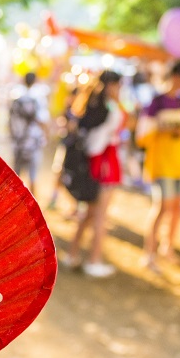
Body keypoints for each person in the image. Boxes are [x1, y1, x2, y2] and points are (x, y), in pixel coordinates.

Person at [63, 70, 125, 278]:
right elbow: (98, 144)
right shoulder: (108, 110)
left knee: (89, 213)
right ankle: (94, 260)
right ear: (111, 86)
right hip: (103, 164)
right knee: (99, 215)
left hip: (95, 164)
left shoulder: (92, 106)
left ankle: (73, 254)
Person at [137, 60, 180, 272]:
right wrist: (163, 130)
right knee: (162, 208)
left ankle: (167, 247)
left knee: (177, 207)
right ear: (177, 77)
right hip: (161, 164)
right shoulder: (156, 102)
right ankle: (149, 254)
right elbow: (142, 136)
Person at [9, 72, 50, 195]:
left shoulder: (17, 98)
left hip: (19, 142)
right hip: (34, 141)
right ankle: (33, 204)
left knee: (16, 174)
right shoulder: (39, 99)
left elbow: (11, 120)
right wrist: (46, 135)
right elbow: (42, 120)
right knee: (33, 174)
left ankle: (12, 200)